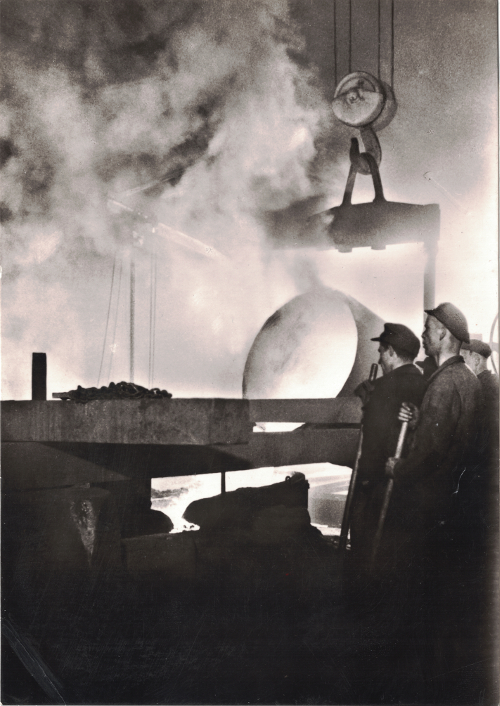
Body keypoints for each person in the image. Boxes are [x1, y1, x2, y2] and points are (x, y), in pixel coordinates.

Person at [385, 302, 483, 699]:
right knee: (445, 596)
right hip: (455, 507)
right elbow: (450, 433)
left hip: (429, 505)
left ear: (443, 333)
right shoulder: (467, 379)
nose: (423, 335)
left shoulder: (442, 384)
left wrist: (398, 468)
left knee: (420, 597)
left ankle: (421, 685)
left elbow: (430, 453)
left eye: (428, 328)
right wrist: (419, 417)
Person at [350, 323, 427, 565]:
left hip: (379, 484)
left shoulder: (383, 388)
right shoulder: (426, 384)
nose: (379, 359)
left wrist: (365, 479)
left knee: (367, 549)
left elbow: (373, 441)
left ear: (392, 352)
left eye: (382, 352)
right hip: (411, 480)